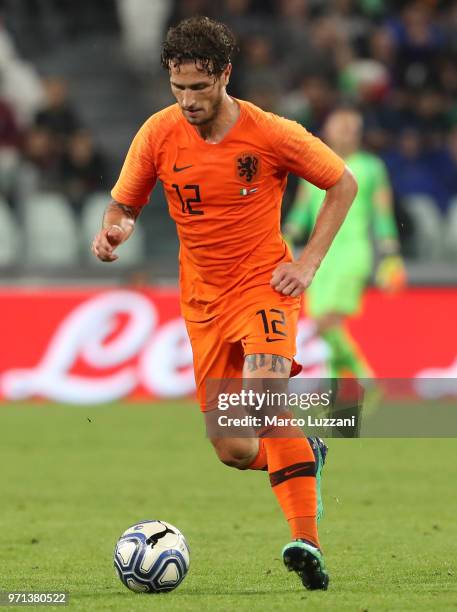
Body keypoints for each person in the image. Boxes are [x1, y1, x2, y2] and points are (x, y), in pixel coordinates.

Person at [91, 16, 357, 591]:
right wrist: (116, 230)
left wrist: (307, 263)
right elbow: (124, 205)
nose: (187, 100)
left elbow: (342, 184)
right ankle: (301, 450)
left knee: (262, 402)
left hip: (265, 286)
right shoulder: (158, 134)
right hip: (202, 301)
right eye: (177, 87)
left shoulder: (270, 132)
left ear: (224, 75)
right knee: (235, 447)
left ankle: (305, 541)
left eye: (198, 87)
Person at [284, 107, 406, 379]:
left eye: (352, 127)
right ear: (327, 130)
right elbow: (302, 209)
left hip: (352, 251)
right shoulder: (314, 163)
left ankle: (364, 377)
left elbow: (383, 213)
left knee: (328, 321)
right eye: (341, 126)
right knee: (322, 322)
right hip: (316, 255)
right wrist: (286, 237)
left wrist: (390, 254)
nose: (347, 131)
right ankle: (341, 385)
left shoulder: (372, 167)